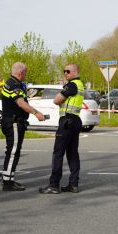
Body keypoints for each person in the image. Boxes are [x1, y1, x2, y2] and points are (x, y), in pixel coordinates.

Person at [39, 63, 84, 194]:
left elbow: (56, 100)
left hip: (67, 122)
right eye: (64, 71)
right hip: (75, 120)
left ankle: (54, 185)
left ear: (75, 72)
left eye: (68, 71)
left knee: (58, 153)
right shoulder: (80, 84)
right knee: (72, 153)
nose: (65, 73)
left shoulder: (72, 85)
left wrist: (60, 94)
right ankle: (73, 184)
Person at [0, 62, 45, 191]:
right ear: (20, 72)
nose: (26, 75)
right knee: (13, 151)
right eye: (25, 72)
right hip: (13, 122)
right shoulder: (14, 84)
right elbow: (20, 103)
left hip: (12, 121)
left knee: (14, 151)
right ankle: (7, 182)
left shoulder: (11, 82)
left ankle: (9, 178)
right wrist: (36, 113)